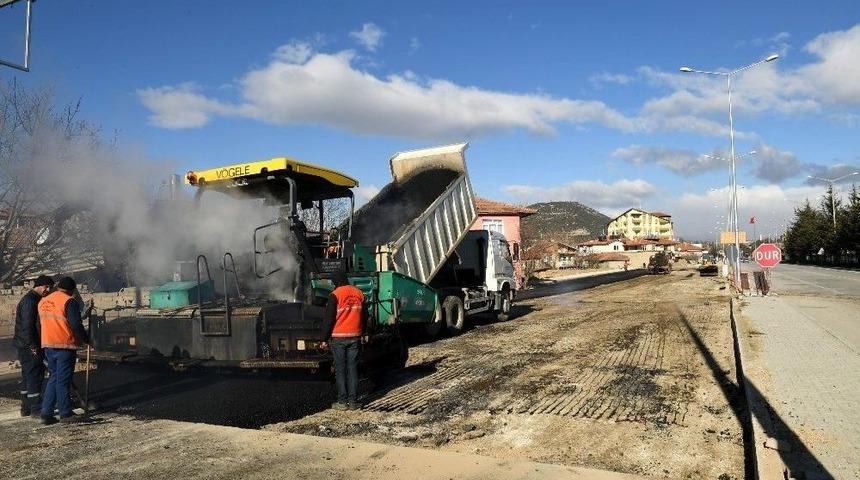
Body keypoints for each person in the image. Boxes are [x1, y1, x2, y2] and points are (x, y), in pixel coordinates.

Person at [39, 276, 89, 424]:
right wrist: (86, 339)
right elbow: (75, 324)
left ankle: (46, 413)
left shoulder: (44, 301)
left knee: (53, 378)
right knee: (63, 380)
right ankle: (66, 413)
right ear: (71, 290)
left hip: (48, 344)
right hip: (64, 344)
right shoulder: (69, 301)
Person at [13, 275, 55, 418]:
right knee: (35, 376)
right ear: (40, 285)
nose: (48, 290)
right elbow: (28, 326)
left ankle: (26, 407)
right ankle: (36, 409)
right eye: (47, 287)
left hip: (24, 344)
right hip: (29, 345)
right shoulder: (31, 301)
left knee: (27, 376)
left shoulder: (31, 299)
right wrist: (33, 345)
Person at [322, 271, 364, 410]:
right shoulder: (359, 293)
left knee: (340, 369)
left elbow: (329, 319)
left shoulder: (335, 295)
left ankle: (342, 402)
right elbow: (365, 316)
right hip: (355, 337)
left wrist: (323, 338)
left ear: (335, 282)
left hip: (339, 337)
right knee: (353, 369)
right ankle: (353, 402)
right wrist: (364, 332)